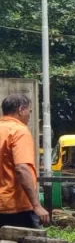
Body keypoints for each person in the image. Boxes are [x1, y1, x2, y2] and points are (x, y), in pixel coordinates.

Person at [0, 94, 49, 228]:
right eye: (29, 111)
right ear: (21, 110)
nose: (29, 116)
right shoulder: (19, 131)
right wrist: (37, 205)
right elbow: (22, 168)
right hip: (16, 207)